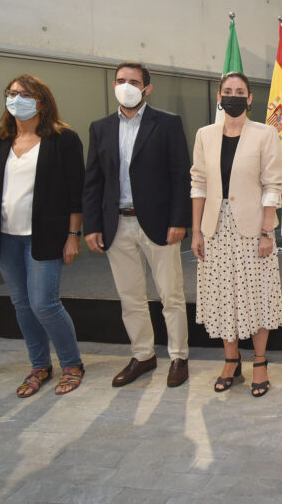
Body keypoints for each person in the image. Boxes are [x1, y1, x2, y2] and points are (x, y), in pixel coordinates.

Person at [83, 62, 192, 388]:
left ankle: (178, 356)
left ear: (147, 88)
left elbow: (180, 175)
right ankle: (143, 355)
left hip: (159, 224)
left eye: (133, 81)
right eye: (120, 80)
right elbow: (93, 181)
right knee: (130, 296)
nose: (126, 86)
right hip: (116, 224)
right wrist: (92, 225)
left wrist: (179, 220)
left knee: (170, 294)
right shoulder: (100, 127)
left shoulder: (168, 123)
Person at [0, 74, 86, 396]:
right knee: (22, 305)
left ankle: (72, 364)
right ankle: (39, 365)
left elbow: (74, 193)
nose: (16, 99)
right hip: (5, 238)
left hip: (46, 237)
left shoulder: (63, 139)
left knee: (44, 304)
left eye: (24, 94)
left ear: (41, 101)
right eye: (11, 93)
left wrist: (73, 234)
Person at [191, 72, 282, 397]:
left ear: (249, 98)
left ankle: (260, 361)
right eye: (227, 91)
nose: (233, 96)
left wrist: (266, 231)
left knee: (256, 295)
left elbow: (273, 185)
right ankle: (231, 359)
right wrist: (196, 232)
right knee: (222, 297)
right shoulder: (204, 135)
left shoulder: (265, 134)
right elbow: (199, 183)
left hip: (253, 229)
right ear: (219, 97)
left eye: (240, 91)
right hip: (214, 229)